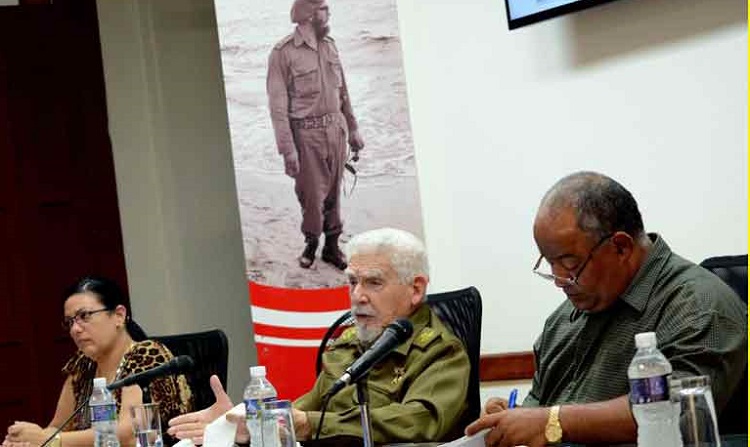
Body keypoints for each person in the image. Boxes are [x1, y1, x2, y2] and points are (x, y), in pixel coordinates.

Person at [466, 172, 747, 447]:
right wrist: (513, 419)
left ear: (621, 247)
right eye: (550, 264)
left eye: (570, 264)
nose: (560, 280)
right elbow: (541, 408)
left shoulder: (698, 305)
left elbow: (678, 411)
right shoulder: (563, 320)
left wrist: (552, 421)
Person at [168, 228, 470, 445]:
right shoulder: (349, 345)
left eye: (374, 282)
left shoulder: (441, 352)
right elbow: (302, 412)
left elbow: (420, 421)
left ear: (416, 289)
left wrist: (308, 424)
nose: (357, 296)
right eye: (352, 282)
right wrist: (239, 421)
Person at [2, 276, 193, 447]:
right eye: (69, 322)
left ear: (119, 315)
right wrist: (28, 440)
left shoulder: (146, 356)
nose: (75, 329)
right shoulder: (83, 365)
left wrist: (51, 440)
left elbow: (128, 435)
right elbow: (58, 427)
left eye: (84, 316)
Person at [267, 0, 365, 270]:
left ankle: (332, 247)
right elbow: (277, 108)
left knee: (333, 192)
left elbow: (343, 92)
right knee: (311, 196)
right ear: (310, 15)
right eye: (323, 7)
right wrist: (288, 150)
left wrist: (353, 128)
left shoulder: (330, 45)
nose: (328, 11)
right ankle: (311, 242)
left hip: (336, 131)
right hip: (306, 136)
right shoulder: (282, 53)